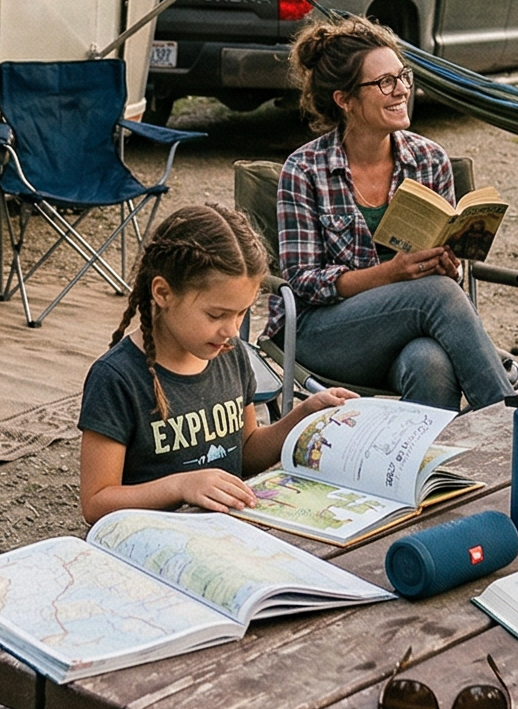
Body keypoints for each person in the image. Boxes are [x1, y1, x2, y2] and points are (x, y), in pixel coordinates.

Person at [273, 17, 515, 411]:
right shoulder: (304, 170)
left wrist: (446, 262)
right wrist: (394, 273)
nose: (401, 89)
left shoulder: (429, 159)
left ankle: (430, 472)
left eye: (403, 75)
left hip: (410, 325)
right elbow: (303, 284)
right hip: (325, 333)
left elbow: (447, 276)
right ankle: (513, 427)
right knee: (434, 293)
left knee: (430, 364)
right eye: (385, 82)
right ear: (344, 100)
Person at [78, 203, 355, 523]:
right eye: (216, 314)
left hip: (226, 530)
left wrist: (303, 417)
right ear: (163, 293)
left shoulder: (231, 353)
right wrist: (181, 486)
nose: (232, 330)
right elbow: (96, 502)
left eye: (241, 313)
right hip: (149, 539)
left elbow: (246, 450)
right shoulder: (116, 378)